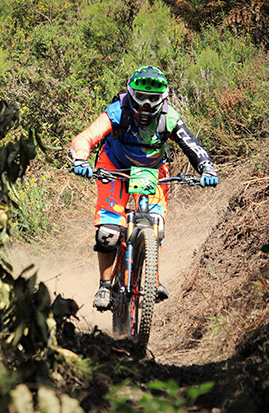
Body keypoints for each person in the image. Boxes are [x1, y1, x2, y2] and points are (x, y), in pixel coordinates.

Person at [70, 65, 218, 311]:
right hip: (114, 166)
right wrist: (81, 160)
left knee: (155, 225)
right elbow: (85, 138)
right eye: (141, 97)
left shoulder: (169, 117)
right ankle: (105, 286)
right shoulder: (118, 110)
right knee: (108, 232)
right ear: (131, 94)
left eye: (153, 99)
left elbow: (193, 146)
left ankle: (151, 280)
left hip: (153, 169)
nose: (147, 105)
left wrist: (207, 169)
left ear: (164, 98)